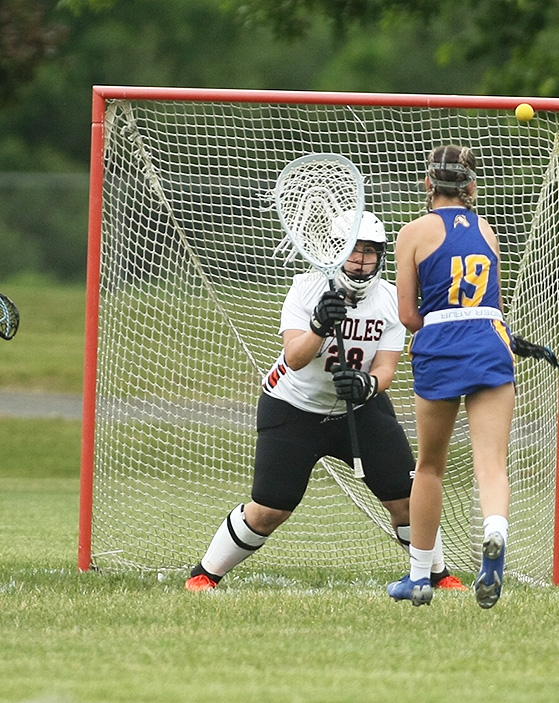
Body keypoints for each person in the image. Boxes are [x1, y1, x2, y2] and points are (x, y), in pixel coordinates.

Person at [185, 210, 466, 592]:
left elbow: (386, 368)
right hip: (293, 407)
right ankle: (205, 574)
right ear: (335, 250)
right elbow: (295, 358)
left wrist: (367, 386)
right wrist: (319, 326)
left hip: (361, 410)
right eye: (354, 250)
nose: (362, 260)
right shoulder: (306, 288)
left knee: (407, 499)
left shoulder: (389, 301)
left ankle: (437, 574)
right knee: (270, 509)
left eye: (370, 251)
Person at [387, 145, 516, 609]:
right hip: (489, 340)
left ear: (428, 185)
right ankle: (495, 534)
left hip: (440, 345)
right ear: (471, 188)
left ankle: (420, 576)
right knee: (492, 463)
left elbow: (407, 314)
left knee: (430, 465)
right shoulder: (487, 229)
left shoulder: (412, 232)